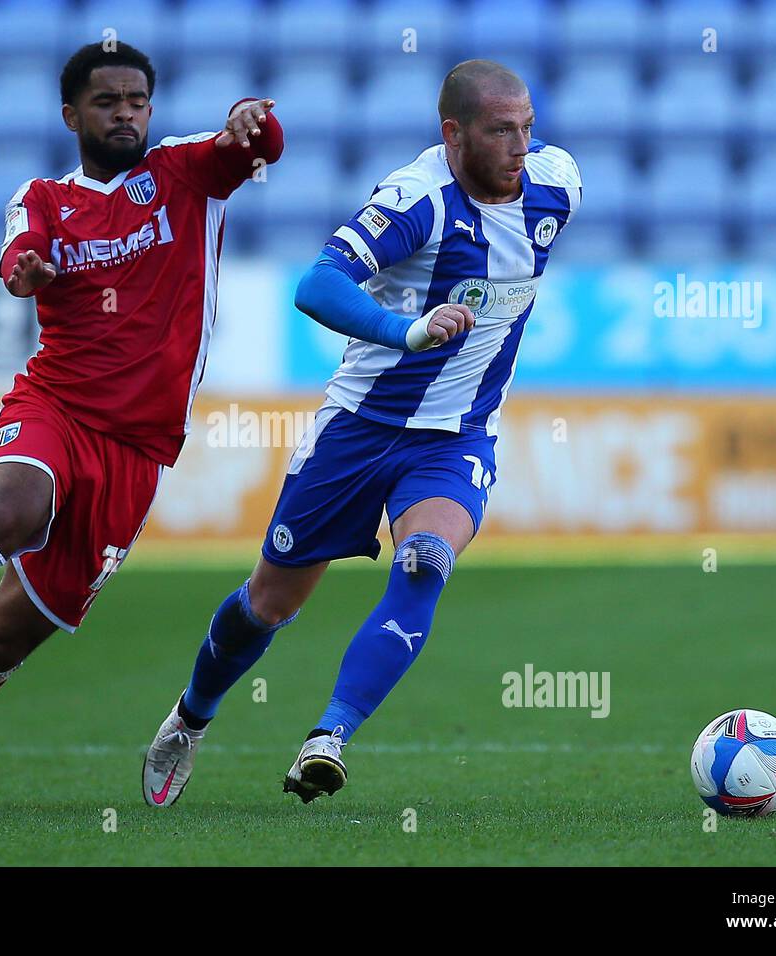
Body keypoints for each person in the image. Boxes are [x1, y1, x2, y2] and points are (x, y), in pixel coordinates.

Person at [0, 41, 283, 808]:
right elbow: (17, 257)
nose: (126, 113)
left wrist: (250, 125)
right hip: (55, 407)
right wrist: (26, 273)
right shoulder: (42, 195)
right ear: (72, 115)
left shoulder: (184, 171)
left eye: (138, 99)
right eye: (108, 102)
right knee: (5, 511)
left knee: (5, 642)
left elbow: (259, 147)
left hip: (137, 449)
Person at [142, 60, 581, 806]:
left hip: (455, 437)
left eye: (528, 127)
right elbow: (316, 284)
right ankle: (191, 716)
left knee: (424, 561)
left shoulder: (557, 186)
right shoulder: (418, 200)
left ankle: (329, 736)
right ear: (455, 134)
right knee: (269, 605)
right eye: (502, 130)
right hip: (357, 430)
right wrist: (406, 331)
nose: (521, 145)